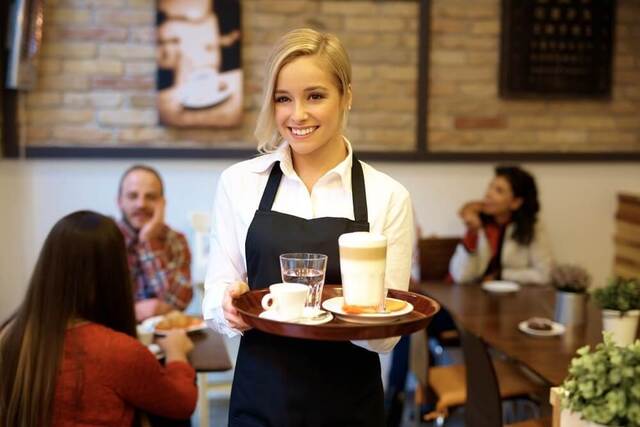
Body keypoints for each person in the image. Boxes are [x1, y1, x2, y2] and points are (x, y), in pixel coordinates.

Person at [202, 28, 414, 426]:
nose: (296, 114)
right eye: (283, 98)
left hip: (349, 408)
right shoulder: (239, 183)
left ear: (347, 95)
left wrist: (356, 312)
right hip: (260, 401)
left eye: (315, 96)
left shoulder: (388, 196)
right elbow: (215, 293)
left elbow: (387, 338)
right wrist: (228, 306)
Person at [0, 211, 197, 426]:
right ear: (114, 273)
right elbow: (182, 403)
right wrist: (177, 354)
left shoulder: (8, 337)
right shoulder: (119, 351)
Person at [449, 165, 553, 285]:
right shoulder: (478, 222)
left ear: (515, 202)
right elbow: (461, 277)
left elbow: (545, 274)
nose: (488, 194)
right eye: (490, 187)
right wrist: (472, 233)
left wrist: (501, 275)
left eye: (499, 191)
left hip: (512, 294)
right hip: (474, 292)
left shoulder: (532, 226)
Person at [117, 165, 193, 322]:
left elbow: (179, 302)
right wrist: (131, 312)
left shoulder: (176, 240)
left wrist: (148, 241)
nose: (141, 204)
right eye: (132, 196)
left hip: (165, 333)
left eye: (150, 197)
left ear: (162, 203)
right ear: (119, 202)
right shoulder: (103, 240)